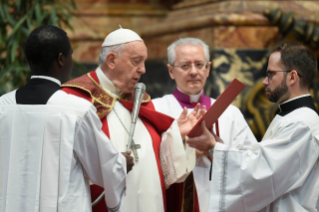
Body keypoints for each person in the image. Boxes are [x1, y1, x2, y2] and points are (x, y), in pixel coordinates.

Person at [62, 27, 203, 212]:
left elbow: (158, 163)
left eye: (143, 62)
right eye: (136, 62)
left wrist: (176, 135)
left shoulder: (141, 102)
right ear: (112, 60)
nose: (143, 70)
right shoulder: (73, 100)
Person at [0, 25, 133, 212]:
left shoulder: (3, 106)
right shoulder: (76, 110)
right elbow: (103, 166)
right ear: (61, 59)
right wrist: (122, 162)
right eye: (70, 55)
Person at [187, 42, 319, 212]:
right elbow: (263, 160)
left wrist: (214, 148)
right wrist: (218, 144)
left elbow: (263, 175)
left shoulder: (301, 124)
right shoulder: (290, 116)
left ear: (292, 77)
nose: (265, 82)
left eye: (271, 75)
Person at [152, 37, 257, 212]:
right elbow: (145, 163)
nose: (193, 71)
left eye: (199, 65)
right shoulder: (156, 109)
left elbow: (253, 162)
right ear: (171, 71)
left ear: (208, 69)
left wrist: (215, 149)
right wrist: (181, 145)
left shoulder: (231, 114)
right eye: (185, 66)